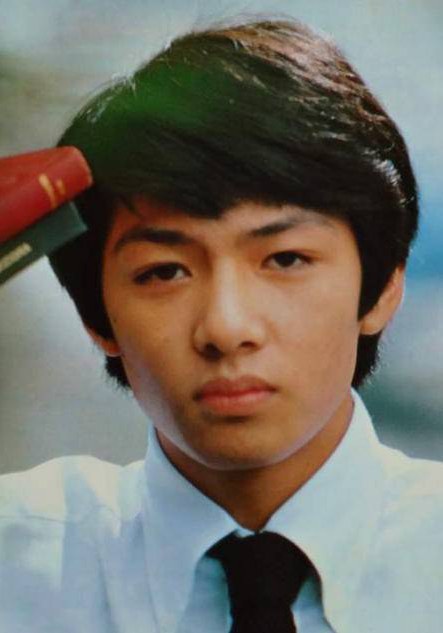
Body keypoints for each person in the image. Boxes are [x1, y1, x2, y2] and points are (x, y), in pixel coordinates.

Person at [0, 17, 442, 632]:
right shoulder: (19, 566)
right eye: (164, 272)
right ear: (96, 316)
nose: (226, 328)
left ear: (383, 287)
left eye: (285, 259)